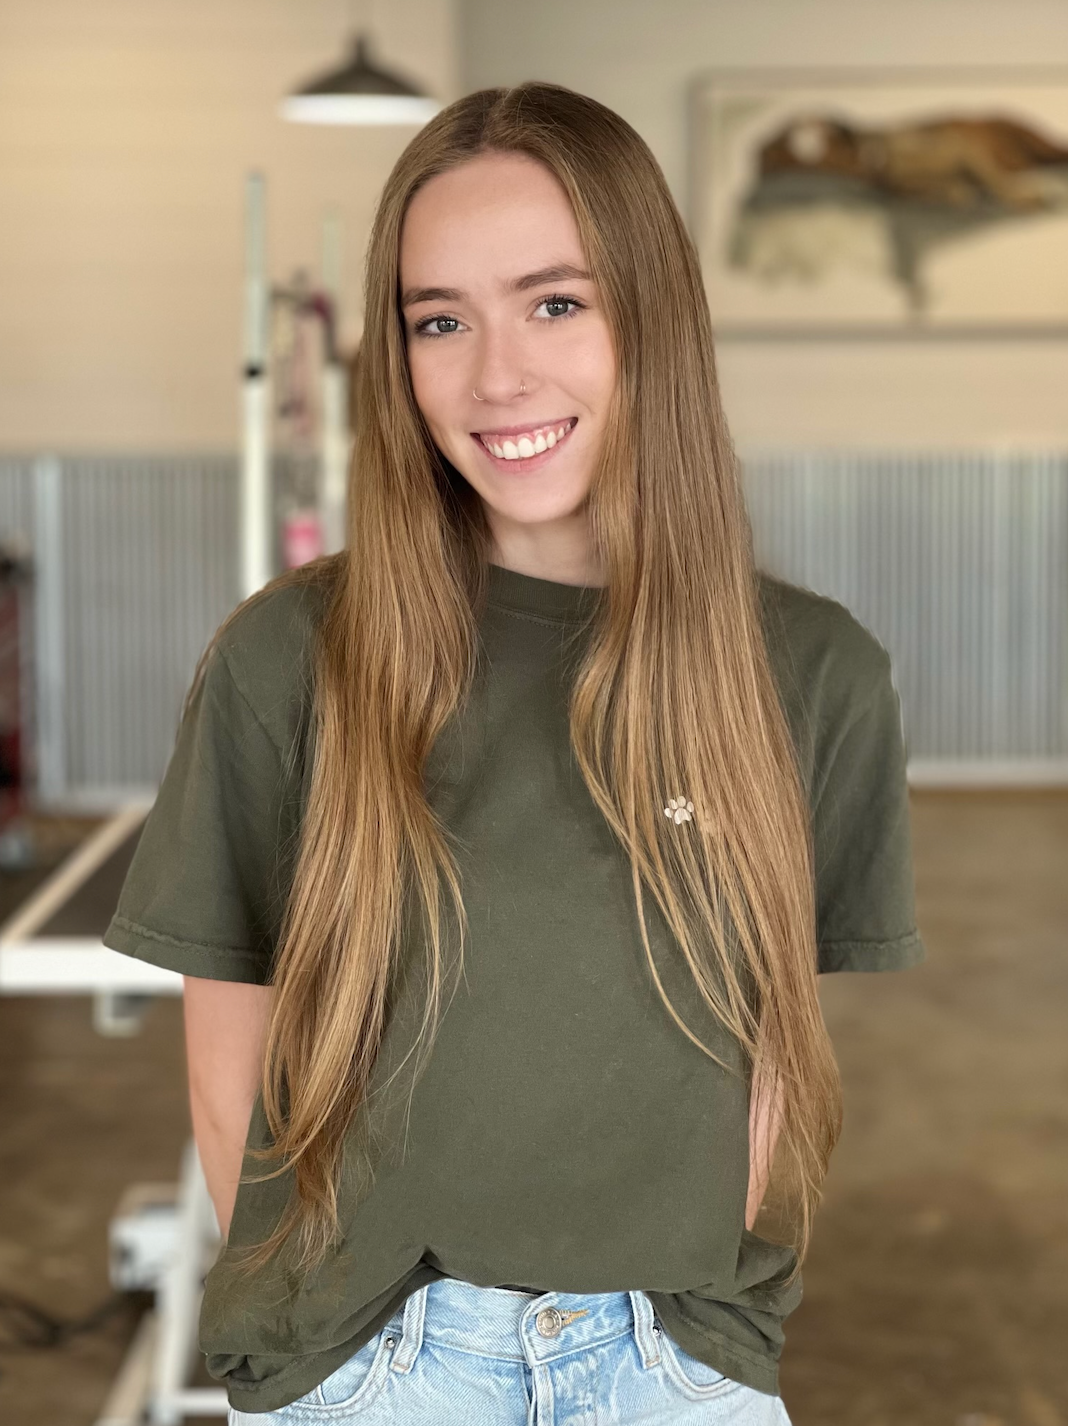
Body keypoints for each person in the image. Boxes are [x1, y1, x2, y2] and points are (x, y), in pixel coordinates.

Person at [103, 81, 927, 1424]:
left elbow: (773, 1033)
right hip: (377, 1366)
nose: (498, 376)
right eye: (441, 320)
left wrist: (705, 1326)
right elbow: (226, 1046)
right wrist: (310, 1349)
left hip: (673, 1359)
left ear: (650, 312)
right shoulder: (290, 657)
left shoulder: (814, 672)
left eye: (557, 302)